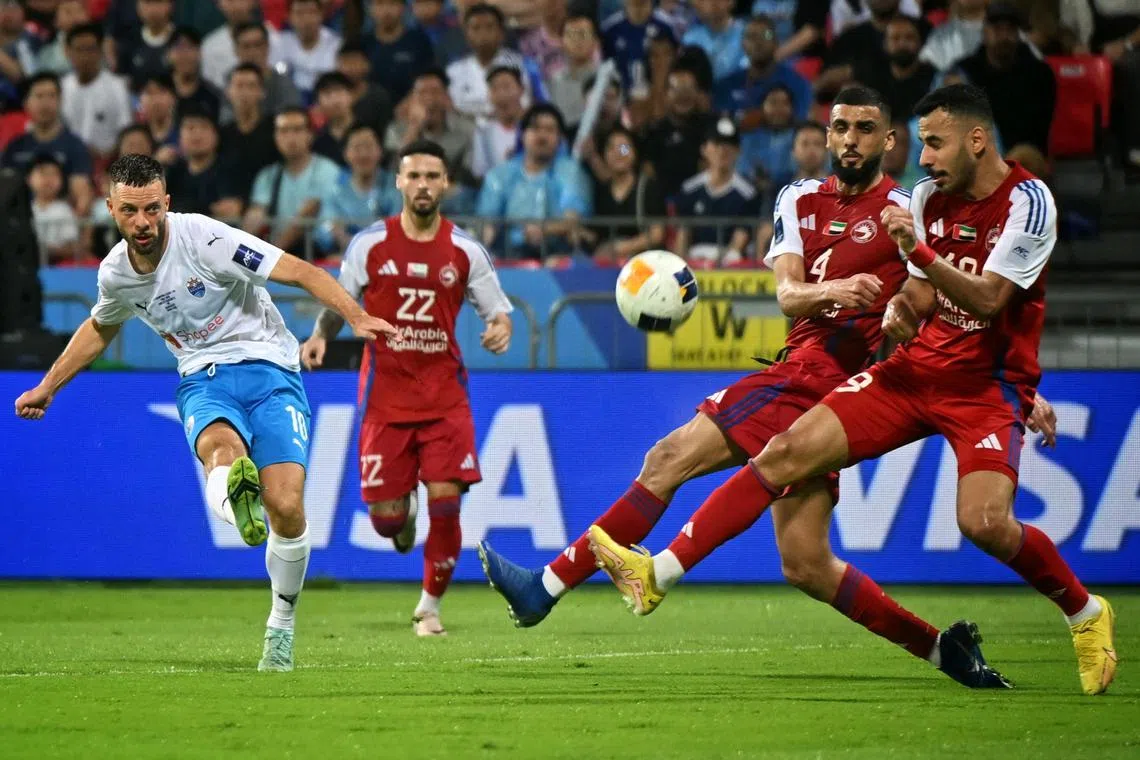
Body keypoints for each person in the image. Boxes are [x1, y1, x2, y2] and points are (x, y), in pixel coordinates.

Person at [480, 85, 1019, 690]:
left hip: (834, 383)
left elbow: (946, 294)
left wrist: (919, 321)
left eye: (865, 129)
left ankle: (544, 587)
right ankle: (945, 652)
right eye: (840, 128)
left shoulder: (910, 210)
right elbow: (788, 293)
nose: (849, 140)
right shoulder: (799, 198)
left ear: (890, 141)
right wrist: (832, 293)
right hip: (808, 377)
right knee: (806, 563)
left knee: (669, 459)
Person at [588, 83, 1117, 697]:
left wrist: (915, 252)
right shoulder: (926, 197)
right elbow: (924, 291)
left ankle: (1084, 613)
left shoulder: (1029, 201)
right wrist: (902, 307)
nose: (924, 160)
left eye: (935, 145)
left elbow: (990, 297)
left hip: (986, 388)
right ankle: (658, 574)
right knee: (782, 453)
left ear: (978, 140)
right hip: (914, 372)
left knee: (984, 523)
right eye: (922, 145)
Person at [14, 153, 396, 671]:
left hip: (271, 370)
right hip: (203, 378)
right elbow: (100, 327)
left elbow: (299, 270)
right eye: (130, 212)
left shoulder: (207, 239)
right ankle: (233, 493)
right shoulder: (116, 275)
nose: (143, 222)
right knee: (222, 450)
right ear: (109, 208)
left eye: (152, 209)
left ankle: (280, 624)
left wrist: (356, 315)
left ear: (167, 202)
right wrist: (48, 386)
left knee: (285, 506)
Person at [299, 139, 513, 637]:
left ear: (446, 185)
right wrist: (318, 337)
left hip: (444, 395)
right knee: (387, 522)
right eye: (413, 175)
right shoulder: (370, 244)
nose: (422, 185)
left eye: (432, 176)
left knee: (447, 500)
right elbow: (340, 299)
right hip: (385, 396)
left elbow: (496, 310)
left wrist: (500, 327)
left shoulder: (464, 250)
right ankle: (402, 514)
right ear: (398, 182)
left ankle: (429, 608)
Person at [476, 102, 592, 260]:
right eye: (535, 128)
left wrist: (543, 230)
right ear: (522, 135)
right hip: (509, 253)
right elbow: (488, 223)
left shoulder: (571, 171)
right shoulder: (500, 174)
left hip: (558, 253)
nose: (542, 136)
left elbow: (572, 219)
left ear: (560, 139)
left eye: (550, 130)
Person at [953, 3, 1056, 156]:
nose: (1004, 36)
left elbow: (1038, 129)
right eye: (997, 29)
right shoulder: (966, 71)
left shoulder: (1039, 73)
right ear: (984, 33)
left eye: (1010, 30)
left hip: (1024, 156)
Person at [243, 106, 341, 256]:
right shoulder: (267, 175)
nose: (290, 137)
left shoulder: (328, 170)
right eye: (283, 131)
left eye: (297, 129)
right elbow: (256, 214)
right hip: (281, 254)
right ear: (275, 136)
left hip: (319, 254)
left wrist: (271, 256)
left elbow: (309, 211)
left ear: (310, 134)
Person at [1, 72, 94, 216]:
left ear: (60, 101)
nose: (45, 103)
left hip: (61, 222)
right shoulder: (15, 148)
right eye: (39, 96)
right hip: (21, 223)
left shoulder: (74, 146)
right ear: (26, 103)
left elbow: (81, 193)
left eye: (51, 96)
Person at [675, 117, 762, 265]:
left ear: (738, 151)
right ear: (704, 149)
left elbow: (739, 240)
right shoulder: (689, 189)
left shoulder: (748, 193)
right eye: (716, 144)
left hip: (730, 263)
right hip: (694, 259)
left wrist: (722, 262)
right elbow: (683, 234)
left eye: (729, 145)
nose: (723, 150)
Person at [316, 122, 401, 254]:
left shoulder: (396, 186)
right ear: (345, 153)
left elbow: (398, 230)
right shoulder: (335, 192)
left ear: (380, 151)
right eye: (356, 148)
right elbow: (325, 233)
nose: (363, 154)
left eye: (368, 147)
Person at [60, 23, 133, 160]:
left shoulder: (118, 87)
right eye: (79, 49)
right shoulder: (61, 88)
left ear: (100, 51)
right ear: (67, 52)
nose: (85, 56)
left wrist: (105, 157)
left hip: (109, 162)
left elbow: (126, 133)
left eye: (90, 49)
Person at [362, 0, 435, 104]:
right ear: (370, 9)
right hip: (371, 110)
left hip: (412, 108)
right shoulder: (362, 43)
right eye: (379, 3)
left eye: (392, 3)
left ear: (403, 8)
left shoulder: (419, 41)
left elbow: (429, 79)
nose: (386, 10)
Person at [278, 0, 342, 104]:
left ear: (321, 15)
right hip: (288, 104)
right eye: (300, 13)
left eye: (311, 12)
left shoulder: (336, 45)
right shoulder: (280, 43)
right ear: (289, 17)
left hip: (325, 104)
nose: (306, 19)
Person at [470, 64, 525, 180]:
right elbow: (480, 174)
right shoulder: (483, 133)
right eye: (494, 88)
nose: (501, 94)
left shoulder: (537, 127)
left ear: (521, 90)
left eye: (506, 87)